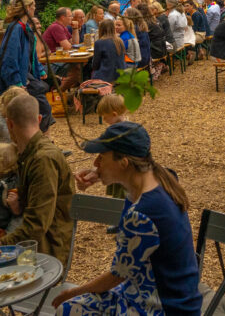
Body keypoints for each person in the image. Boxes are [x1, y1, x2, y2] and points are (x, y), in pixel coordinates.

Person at [56, 122, 202, 315]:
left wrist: (72, 292)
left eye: (102, 157)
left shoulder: (142, 216)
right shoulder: (162, 177)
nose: (96, 163)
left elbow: (118, 275)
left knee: (67, 309)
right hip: (161, 294)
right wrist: (99, 175)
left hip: (163, 306)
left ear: (124, 162)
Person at [0, 93, 74, 265]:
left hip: (47, 253)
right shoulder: (29, 154)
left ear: (9, 124)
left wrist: (0, 244)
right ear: (39, 119)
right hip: (33, 245)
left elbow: (37, 225)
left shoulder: (43, 160)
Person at [0, 0, 54, 132]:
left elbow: (31, 53)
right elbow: (9, 58)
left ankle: (45, 145)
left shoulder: (25, 27)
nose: (35, 8)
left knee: (41, 108)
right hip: (20, 80)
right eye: (33, 5)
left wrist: (39, 69)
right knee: (42, 109)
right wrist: (16, 82)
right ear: (27, 8)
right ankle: (40, 145)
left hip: (27, 75)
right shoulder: (15, 28)